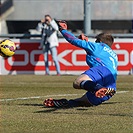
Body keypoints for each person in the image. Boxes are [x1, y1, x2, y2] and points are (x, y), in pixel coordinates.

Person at [44, 21, 118, 108]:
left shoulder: (98, 46)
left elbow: (73, 40)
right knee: (83, 102)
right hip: (111, 84)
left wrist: (63, 30)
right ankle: (66, 103)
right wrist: (86, 44)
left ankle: (98, 88)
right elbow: (95, 55)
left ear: (99, 41)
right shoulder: (113, 55)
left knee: (77, 82)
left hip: (102, 71)